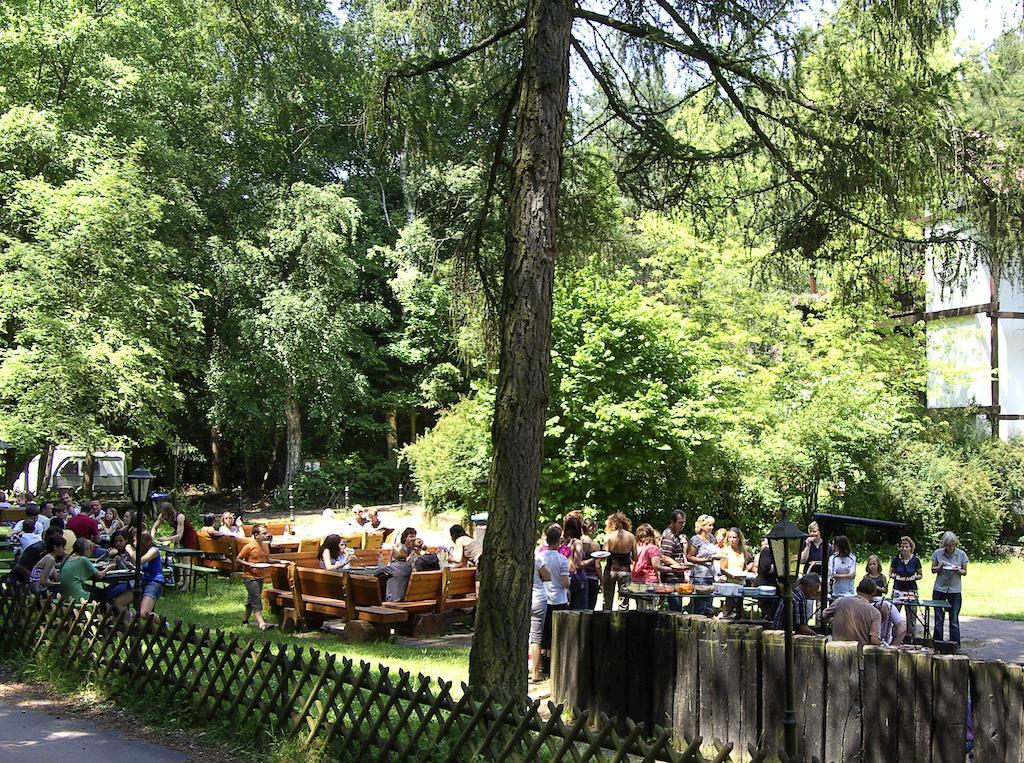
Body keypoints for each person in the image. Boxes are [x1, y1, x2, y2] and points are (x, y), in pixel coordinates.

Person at [537, 524, 570, 675]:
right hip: (559, 598)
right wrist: (568, 583)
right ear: (559, 541)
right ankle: (553, 664)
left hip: (544, 596)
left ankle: (542, 663)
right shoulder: (562, 559)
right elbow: (565, 582)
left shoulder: (540, 556)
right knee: (556, 632)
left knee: (543, 632)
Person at [931, 531, 968, 647]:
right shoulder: (937, 553)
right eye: (948, 545)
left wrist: (957, 570)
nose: (950, 547)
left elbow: (965, 572)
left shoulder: (961, 554)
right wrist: (940, 567)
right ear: (944, 544)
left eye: (952, 545)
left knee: (954, 619)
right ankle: (937, 644)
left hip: (954, 590)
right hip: (939, 589)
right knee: (938, 619)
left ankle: (955, 645)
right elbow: (933, 570)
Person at [821, 577, 881, 648]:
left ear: (857, 589)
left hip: (836, 651)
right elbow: (874, 641)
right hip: (859, 655)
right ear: (874, 593)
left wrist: (836, 622)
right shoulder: (874, 612)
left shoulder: (840, 601)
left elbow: (823, 616)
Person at [236, 524, 275, 629]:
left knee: (251, 599)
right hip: (250, 577)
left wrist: (280, 561)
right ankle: (262, 624)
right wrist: (249, 565)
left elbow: (267, 560)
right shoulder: (249, 546)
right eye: (264, 533)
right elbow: (238, 558)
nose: (267, 535)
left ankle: (245, 621)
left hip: (260, 576)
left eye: (267, 533)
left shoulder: (265, 545)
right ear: (256, 535)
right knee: (256, 598)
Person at [686, 514, 722, 616]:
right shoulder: (695, 540)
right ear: (702, 526)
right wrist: (705, 560)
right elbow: (689, 556)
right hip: (699, 575)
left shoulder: (711, 538)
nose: (712, 527)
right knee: (700, 604)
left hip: (710, 573)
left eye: (712, 525)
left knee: (708, 604)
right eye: (709, 525)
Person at [601, 513, 636, 611]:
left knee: (607, 600)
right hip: (625, 571)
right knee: (624, 602)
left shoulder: (609, 536)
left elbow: (604, 555)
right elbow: (635, 557)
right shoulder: (631, 537)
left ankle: (606, 623)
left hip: (610, 570)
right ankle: (622, 623)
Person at [59, 538, 111, 602]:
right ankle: (104, 610)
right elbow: (100, 575)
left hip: (67, 597)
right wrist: (109, 567)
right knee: (104, 592)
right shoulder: (82, 559)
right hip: (79, 598)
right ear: (87, 550)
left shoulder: (67, 557)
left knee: (92, 588)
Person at [889, 536, 922, 637]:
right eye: (902, 546)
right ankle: (894, 635)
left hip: (911, 589)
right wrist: (896, 577)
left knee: (911, 615)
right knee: (894, 613)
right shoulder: (895, 559)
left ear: (911, 547)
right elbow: (890, 573)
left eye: (906, 546)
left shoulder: (916, 560)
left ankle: (911, 637)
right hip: (898, 589)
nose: (904, 548)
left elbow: (920, 575)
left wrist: (913, 577)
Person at [660, 510, 692, 612]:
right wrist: (679, 565)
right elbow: (664, 557)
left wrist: (685, 564)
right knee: (675, 608)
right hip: (671, 577)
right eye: (680, 522)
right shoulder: (669, 536)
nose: (682, 525)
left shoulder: (675, 534)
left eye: (684, 522)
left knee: (677, 607)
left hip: (677, 576)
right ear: (672, 521)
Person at [127, 531, 164, 620]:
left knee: (144, 613)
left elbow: (139, 562)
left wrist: (130, 550)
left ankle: (163, 625)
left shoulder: (153, 550)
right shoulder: (141, 551)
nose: (134, 543)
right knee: (119, 601)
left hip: (154, 582)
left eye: (136, 541)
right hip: (142, 581)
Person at [719, 527, 755, 618]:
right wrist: (732, 576)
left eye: (734, 537)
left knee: (739, 608)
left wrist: (745, 572)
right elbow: (722, 568)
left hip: (741, 582)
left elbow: (748, 563)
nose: (732, 540)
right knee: (730, 608)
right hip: (730, 583)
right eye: (730, 537)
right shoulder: (725, 551)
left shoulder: (744, 550)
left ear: (739, 538)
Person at [529, 555, 554, 683]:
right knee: (536, 637)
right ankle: (535, 672)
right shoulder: (536, 559)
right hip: (538, 599)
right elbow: (548, 576)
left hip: (521, 599)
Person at [103, 531, 135, 612]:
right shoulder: (114, 552)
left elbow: (127, 571)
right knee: (102, 592)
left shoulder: (128, 554)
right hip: (115, 580)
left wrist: (120, 562)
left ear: (126, 540)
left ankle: (114, 615)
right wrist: (106, 555)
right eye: (116, 541)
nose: (118, 543)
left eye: (121, 541)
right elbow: (99, 562)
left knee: (109, 595)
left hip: (127, 583)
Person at [752, 538, 779, 618]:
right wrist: (779, 566)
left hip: (774, 586)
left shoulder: (779, 552)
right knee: (768, 611)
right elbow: (765, 568)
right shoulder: (766, 551)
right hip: (765, 586)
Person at [579, 517, 602, 610]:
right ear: (591, 529)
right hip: (592, 579)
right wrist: (602, 581)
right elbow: (598, 566)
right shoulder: (594, 545)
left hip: (579, 577)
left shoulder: (577, 542)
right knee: (590, 608)